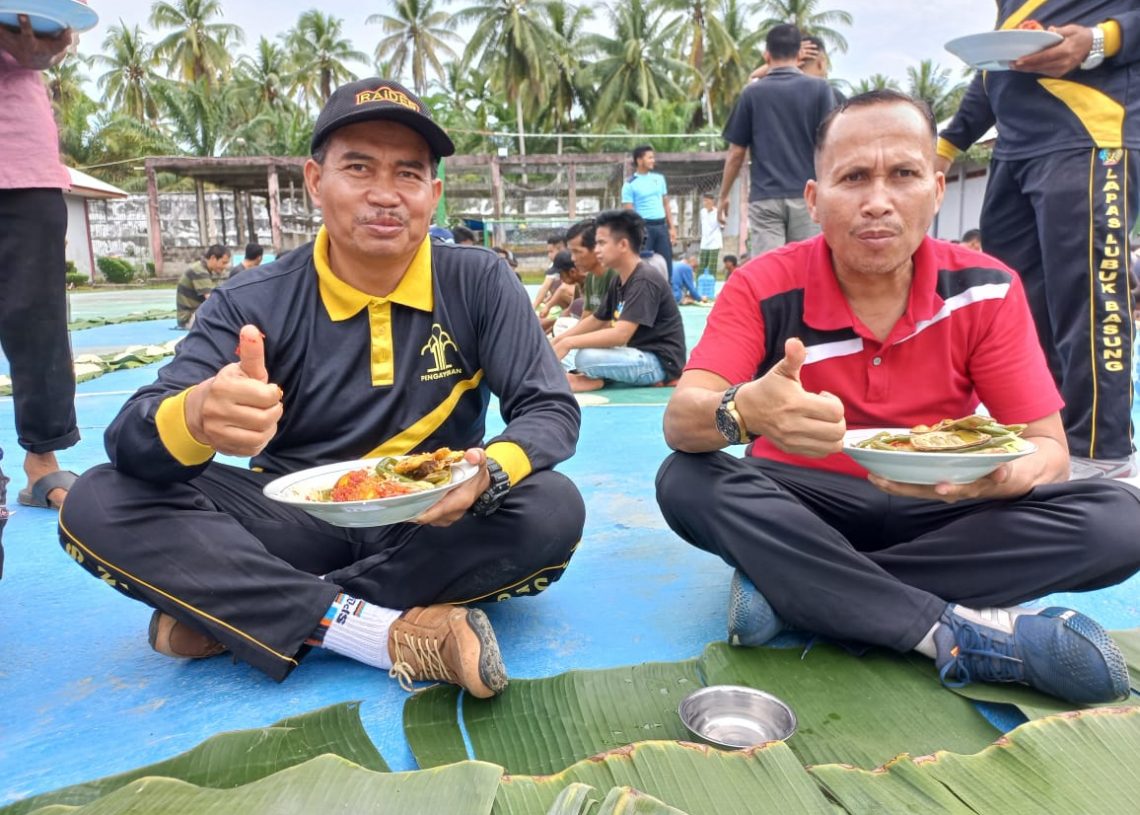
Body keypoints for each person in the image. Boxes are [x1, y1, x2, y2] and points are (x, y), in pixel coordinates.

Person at [58, 78, 585, 698]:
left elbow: (549, 408)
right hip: (290, 520)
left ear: (433, 194)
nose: (385, 195)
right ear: (315, 180)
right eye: (358, 168)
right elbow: (133, 432)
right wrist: (197, 415)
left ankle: (247, 609)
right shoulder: (254, 299)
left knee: (550, 507)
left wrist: (488, 472)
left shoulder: (480, 282)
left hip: (431, 517)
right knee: (99, 498)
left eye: (408, 174)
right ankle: (380, 632)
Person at [656, 90, 1140, 707]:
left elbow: (1048, 448)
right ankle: (952, 635)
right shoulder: (764, 284)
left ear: (936, 191)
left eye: (903, 175)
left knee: (1124, 520)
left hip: (947, 505)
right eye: (853, 177)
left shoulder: (987, 288)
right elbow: (681, 420)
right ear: (815, 199)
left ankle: (798, 588)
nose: (878, 202)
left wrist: (1002, 477)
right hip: (803, 504)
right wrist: (742, 412)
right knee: (685, 480)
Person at [937, 4, 1138, 480]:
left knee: (1087, 298)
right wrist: (943, 149)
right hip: (1013, 148)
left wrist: (1098, 40)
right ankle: (1040, 437)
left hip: (1089, 134)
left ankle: (1101, 456)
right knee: (1015, 305)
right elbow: (994, 75)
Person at [0, 15, 84, 518]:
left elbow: (59, 18)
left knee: (39, 320)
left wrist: (49, 46)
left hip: (20, 155)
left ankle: (42, 459)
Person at [719, 24, 838, 257]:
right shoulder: (821, 89)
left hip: (766, 199)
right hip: (808, 196)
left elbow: (735, 154)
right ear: (799, 54)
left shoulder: (752, 94)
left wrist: (723, 196)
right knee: (810, 269)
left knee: (768, 273)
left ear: (766, 55)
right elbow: (833, 144)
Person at [551, 209, 686, 392]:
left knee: (585, 357)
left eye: (601, 243)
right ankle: (588, 377)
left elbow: (620, 335)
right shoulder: (620, 278)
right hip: (635, 353)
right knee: (567, 344)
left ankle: (596, 379)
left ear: (623, 244)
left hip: (658, 363)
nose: (596, 250)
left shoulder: (644, 279)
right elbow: (598, 319)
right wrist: (560, 340)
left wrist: (569, 343)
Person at [622, 145, 676, 272]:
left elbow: (666, 204)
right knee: (644, 267)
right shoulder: (629, 184)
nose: (653, 160)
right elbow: (629, 212)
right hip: (644, 228)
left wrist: (672, 228)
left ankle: (668, 290)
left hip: (661, 227)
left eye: (653, 157)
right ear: (639, 160)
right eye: (650, 158)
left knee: (667, 265)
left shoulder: (659, 179)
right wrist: (636, 232)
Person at [565, 218, 617, 321]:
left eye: (577, 252)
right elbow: (587, 316)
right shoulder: (590, 277)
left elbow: (610, 325)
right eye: (571, 252)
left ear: (596, 248)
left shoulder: (615, 276)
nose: (573, 258)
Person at [176, 244, 231, 329]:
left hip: (193, 315)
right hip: (189, 319)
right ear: (213, 258)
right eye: (224, 263)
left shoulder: (203, 268)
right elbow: (212, 300)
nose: (225, 267)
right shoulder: (200, 271)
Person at [533, 232, 568, 309]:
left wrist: (533, 307)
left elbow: (545, 286)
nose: (549, 255)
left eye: (551, 252)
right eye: (548, 252)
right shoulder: (553, 265)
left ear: (561, 250)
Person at [698, 192, 722, 280]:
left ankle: (711, 286)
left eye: (707, 201)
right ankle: (698, 286)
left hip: (714, 243)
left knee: (712, 266)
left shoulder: (718, 212)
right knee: (702, 265)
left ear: (712, 202)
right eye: (704, 201)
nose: (705, 203)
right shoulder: (702, 212)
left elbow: (723, 226)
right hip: (704, 242)